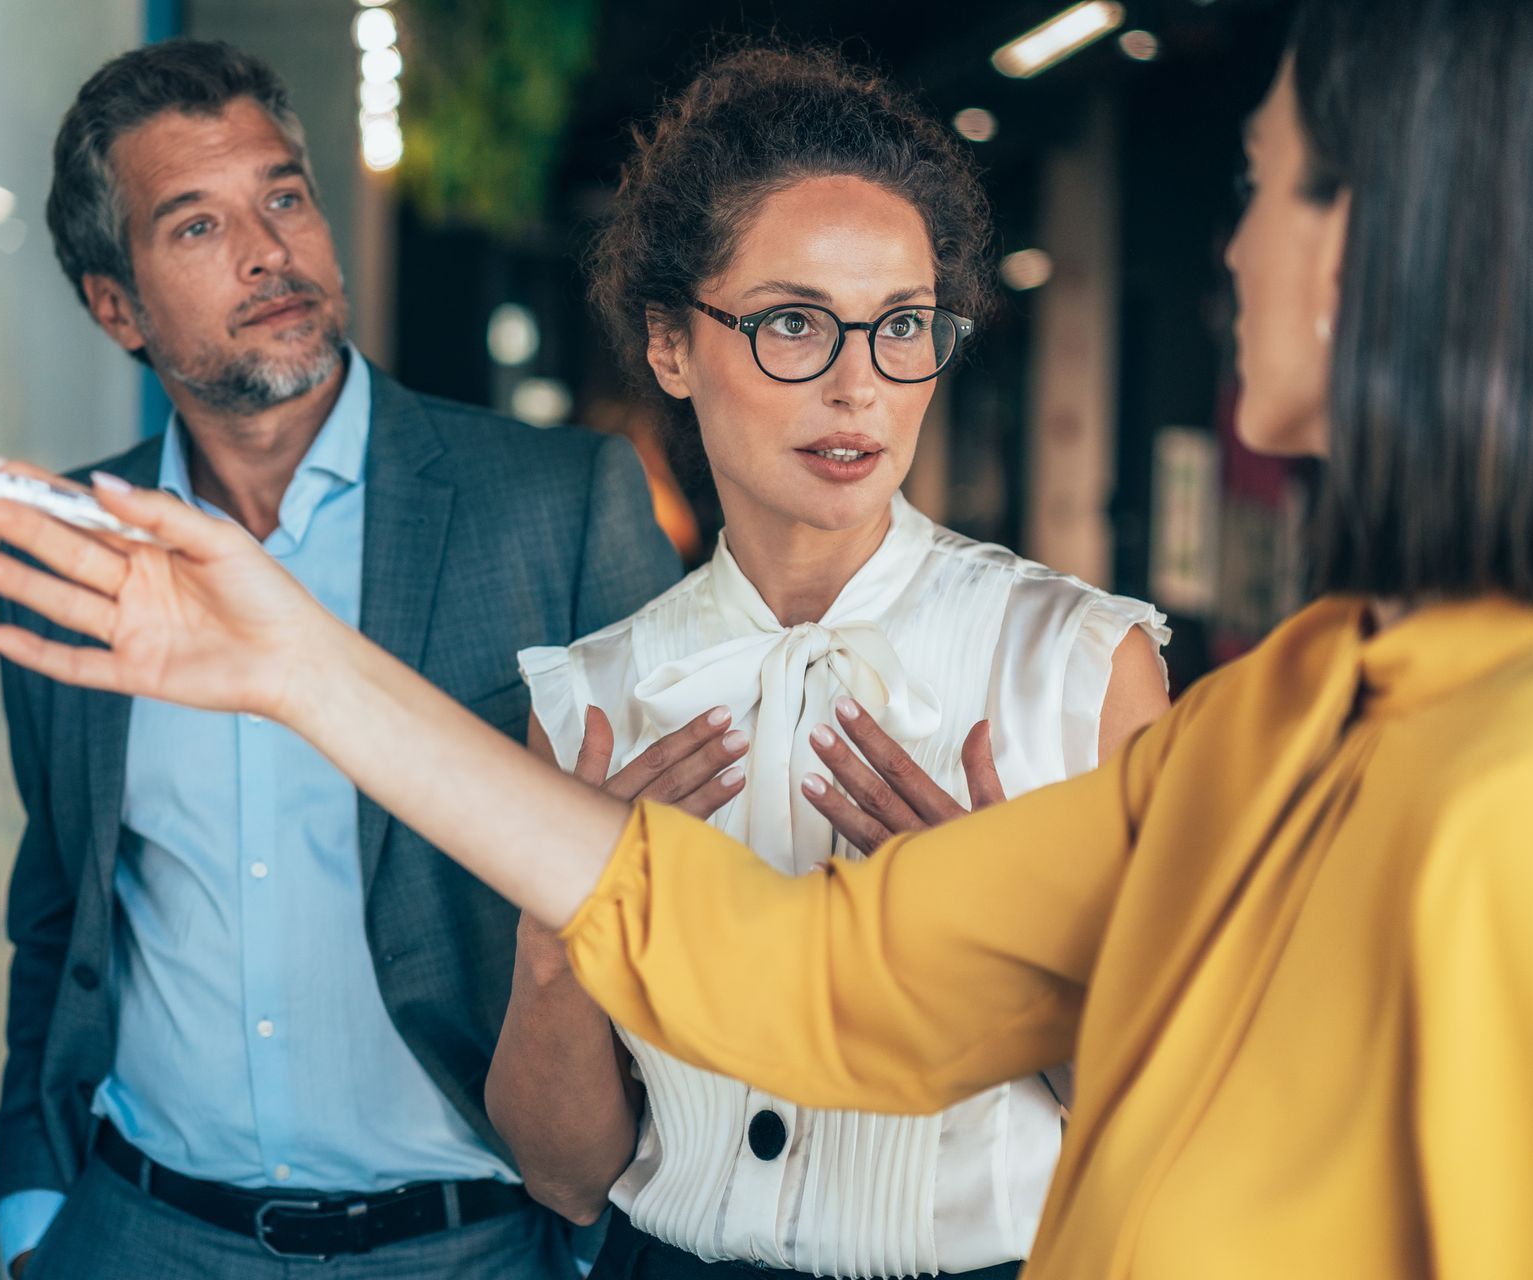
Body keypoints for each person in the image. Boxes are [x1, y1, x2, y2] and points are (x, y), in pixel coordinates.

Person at [0, 0, 1533, 1273]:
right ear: (676, 344)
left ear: (1413, 237)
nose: (1228, 248)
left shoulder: (1512, 765)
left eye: (1270, 189)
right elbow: (811, 972)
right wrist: (306, 671)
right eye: (794, 326)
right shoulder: (1287, 707)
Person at [0, 39, 683, 1280]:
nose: (271, 252)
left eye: (285, 196)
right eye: (198, 226)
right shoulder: (76, 545)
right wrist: (36, 1206)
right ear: (115, 304)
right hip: (140, 1229)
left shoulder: (556, 503)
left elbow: (672, 890)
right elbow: (61, 905)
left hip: (469, 1239)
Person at [485, 48, 1169, 1280]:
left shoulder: (1079, 663)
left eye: (902, 325)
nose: (859, 385)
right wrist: (556, 946)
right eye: (794, 321)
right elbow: (565, 1172)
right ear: (671, 347)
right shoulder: (588, 696)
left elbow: (1169, 1117)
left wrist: (997, 935)